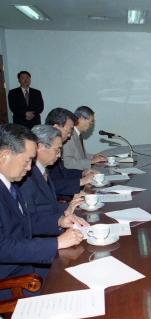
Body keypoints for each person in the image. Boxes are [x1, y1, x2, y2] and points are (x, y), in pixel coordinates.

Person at [0, 124, 85, 301]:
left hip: (27, 263)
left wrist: (59, 221)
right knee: (75, 290)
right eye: (27, 161)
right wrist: (55, 243)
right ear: (4, 156)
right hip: (14, 280)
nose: (30, 168)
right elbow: (3, 247)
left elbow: (26, 220)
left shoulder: (9, 183)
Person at [19, 125, 84, 221]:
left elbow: (49, 205)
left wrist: (70, 205)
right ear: (40, 147)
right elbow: (32, 218)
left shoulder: (43, 168)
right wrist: (62, 217)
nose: (59, 155)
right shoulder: (26, 176)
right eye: (57, 150)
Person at [45, 108, 95, 196]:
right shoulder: (44, 151)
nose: (69, 135)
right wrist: (82, 181)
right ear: (57, 128)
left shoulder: (55, 147)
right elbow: (51, 185)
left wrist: (82, 173)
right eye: (69, 130)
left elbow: (63, 172)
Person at [63, 106, 107, 170]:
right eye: (91, 121)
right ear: (81, 118)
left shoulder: (78, 134)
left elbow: (81, 156)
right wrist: (91, 161)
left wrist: (94, 156)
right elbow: (68, 163)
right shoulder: (69, 136)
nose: (92, 125)